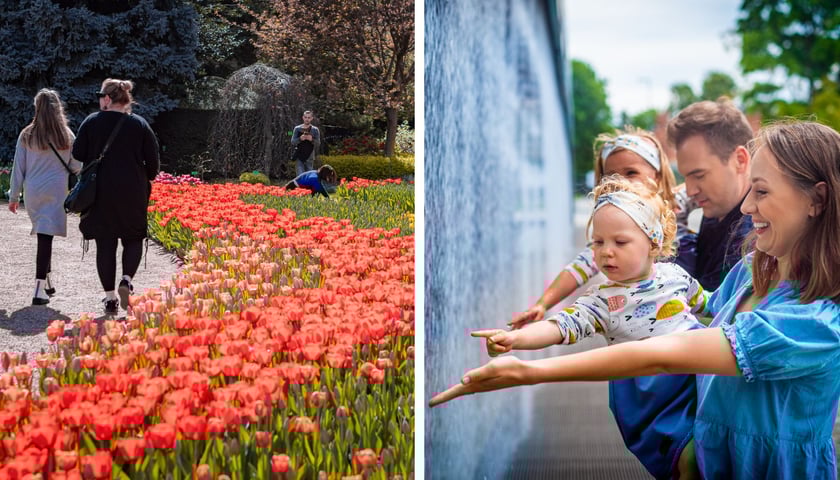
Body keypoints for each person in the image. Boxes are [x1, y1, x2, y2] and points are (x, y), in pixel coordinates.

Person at [431, 121, 840, 479]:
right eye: (750, 189)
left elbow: (666, 353)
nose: (747, 205)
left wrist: (529, 372)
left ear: (817, 200)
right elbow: (698, 315)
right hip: (712, 457)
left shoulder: (820, 323)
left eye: (762, 192)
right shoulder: (752, 271)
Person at [474, 176, 706, 479]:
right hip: (654, 398)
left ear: (653, 242)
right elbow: (560, 326)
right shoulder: (601, 302)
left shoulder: (676, 275)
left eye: (620, 242)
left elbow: (713, 305)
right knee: (686, 463)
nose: (606, 251)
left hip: (696, 376)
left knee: (710, 449)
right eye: (597, 242)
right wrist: (515, 338)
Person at [510, 127, 689, 330]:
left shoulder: (676, 205)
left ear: (656, 176)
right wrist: (543, 305)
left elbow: (704, 182)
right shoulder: (610, 233)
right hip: (635, 325)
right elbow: (578, 269)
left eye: (631, 173)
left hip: (682, 308)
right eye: (612, 176)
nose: (620, 182)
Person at [72, 79, 160, 315]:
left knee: (105, 243)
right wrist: (144, 176)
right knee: (133, 238)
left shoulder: (91, 122)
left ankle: (110, 298)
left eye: (101, 96)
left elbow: (78, 153)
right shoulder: (139, 125)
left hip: (100, 193)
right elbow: (153, 164)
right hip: (132, 192)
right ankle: (126, 279)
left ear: (108, 99)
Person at [668, 98, 754, 290]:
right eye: (685, 177)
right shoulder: (719, 210)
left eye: (699, 175)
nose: (690, 191)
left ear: (740, 160)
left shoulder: (752, 242)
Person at [8, 89, 81, 306]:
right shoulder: (66, 135)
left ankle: (46, 281)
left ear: (37, 108)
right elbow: (77, 166)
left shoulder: (28, 134)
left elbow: (18, 168)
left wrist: (14, 195)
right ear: (58, 108)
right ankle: (39, 287)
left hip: (33, 190)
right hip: (56, 189)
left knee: (44, 232)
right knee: (46, 236)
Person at [291, 110, 321, 176]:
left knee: (309, 178)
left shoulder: (315, 130)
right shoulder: (297, 129)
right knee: (300, 177)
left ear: (312, 118)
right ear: (303, 117)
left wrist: (311, 139)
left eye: (309, 117)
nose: (307, 119)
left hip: (310, 156)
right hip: (299, 155)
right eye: (305, 117)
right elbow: (293, 142)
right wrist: (300, 139)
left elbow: (318, 143)